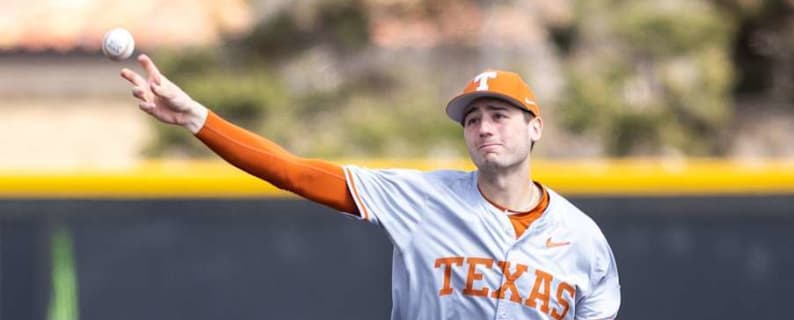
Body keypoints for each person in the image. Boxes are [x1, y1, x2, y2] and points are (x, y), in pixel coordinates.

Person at [120, 54, 621, 320]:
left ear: (535, 126)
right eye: (472, 120)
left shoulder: (584, 241)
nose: (484, 128)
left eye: (499, 115)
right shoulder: (422, 200)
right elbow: (293, 172)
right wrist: (197, 119)